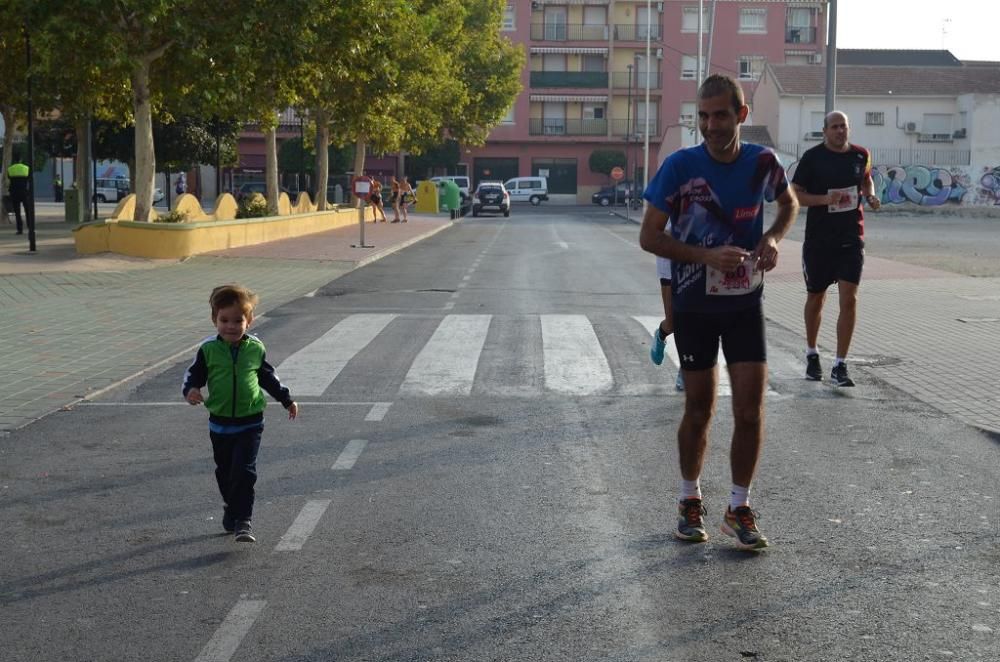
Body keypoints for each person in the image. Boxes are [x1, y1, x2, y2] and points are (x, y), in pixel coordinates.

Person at [639, 74, 799, 550]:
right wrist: (705, 256)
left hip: (745, 300)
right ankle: (690, 500)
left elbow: (788, 204)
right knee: (700, 408)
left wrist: (772, 237)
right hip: (695, 303)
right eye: (703, 116)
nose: (710, 125)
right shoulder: (678, 166)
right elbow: (650, 237)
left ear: (741, 116)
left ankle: (739, 506)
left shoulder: (762, 162)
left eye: (720, 115)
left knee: (750, 410)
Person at [182, 284, 299, 543]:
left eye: (238, 320)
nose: (231, 326)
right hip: (220, 424)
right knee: (225, 472)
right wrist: (191, 390)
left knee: (244, 471)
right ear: (215, 320)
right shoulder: (208, 349)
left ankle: (243, 520)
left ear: (249, 321)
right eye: (224, 320)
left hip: (251, 422)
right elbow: (194, 375)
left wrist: (286, 399)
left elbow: (268, 378)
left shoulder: (255, 348)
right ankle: (231, 509)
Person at [791, 110, 880, 387]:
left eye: (844, 126)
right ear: (825, 130)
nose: (841, 131)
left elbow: (866, 179)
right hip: (819, 240)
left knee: (849, 299)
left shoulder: (861, 155)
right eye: (835, 127)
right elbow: (795, 194)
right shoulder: (812, 158)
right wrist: (824, 199)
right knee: (816, 297)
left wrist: (871, 194)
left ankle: (840, 364)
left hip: (851, 238)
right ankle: (812, 353)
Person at [649, 251, 685, 392]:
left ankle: (686, 368)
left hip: (698, 258)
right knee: (672, 323)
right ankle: (661, 334)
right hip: (669, 259)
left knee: (691, 320)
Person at [6, 159, 30, 235]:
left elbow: (9, 178)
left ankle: (20, 229)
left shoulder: (10, 169)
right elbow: (29, 179)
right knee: (28, 211)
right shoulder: (26, 168)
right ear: (21, 160)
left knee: (17, 212)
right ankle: (30, 228)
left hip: (14, 192)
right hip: (24, 192)